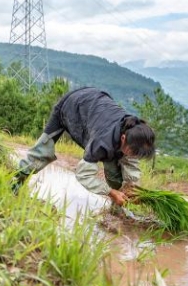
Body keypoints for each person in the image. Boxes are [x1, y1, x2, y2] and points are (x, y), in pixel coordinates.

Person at [13, 87, 156, 206]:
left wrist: (131, 186)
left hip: (96, 102)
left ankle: (118, 209)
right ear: (123, 138)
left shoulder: (134, 130)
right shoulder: (101, 142)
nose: (133, 156)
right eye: (132, 152)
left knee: (115, 172)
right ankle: (12, 185)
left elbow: (130, 163)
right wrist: (110, 192)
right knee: (42, 152)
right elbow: (83, 175)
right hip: (70, 107)